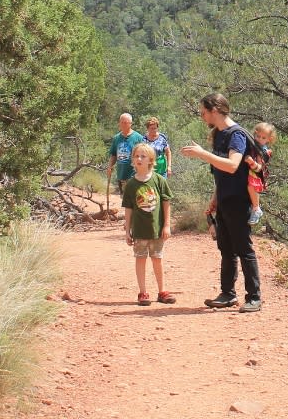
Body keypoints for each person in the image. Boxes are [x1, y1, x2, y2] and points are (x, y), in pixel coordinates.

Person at [180, 92, 262, 313]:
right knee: (226, 248)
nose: (202, 116)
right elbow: (221, 173)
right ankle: (228, 293)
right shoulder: (219, 134)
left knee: (244, 249)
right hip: (225, 199)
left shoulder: (236, 135)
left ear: (215, 110)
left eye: (203, 112)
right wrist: (215, 198)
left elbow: (233, 165)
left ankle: (254, 297)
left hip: (239, 201)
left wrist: (202, 154)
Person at [121, 142, 175, 306]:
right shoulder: (131, 184)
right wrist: (127, 230)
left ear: (151, 160)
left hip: (156, 230)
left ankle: (162, 291)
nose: (139, 159)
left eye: (143, 156)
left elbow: (166, 203)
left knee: (157, 259)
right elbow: (128, 209)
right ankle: (143, 292)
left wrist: (166, 225)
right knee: (140, 259)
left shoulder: (159, 180)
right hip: (139, 231)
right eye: (136, 156)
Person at [107, 112, 145, 195]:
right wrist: (110, 166)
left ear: (130, 124)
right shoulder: (116, 138)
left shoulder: (138, 138)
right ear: (119, 123)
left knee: (135, 199)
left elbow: (144, 155)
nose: (124, 124)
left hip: (134, 174)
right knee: (124, 200)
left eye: (126, 122)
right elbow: (113, 155)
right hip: (121, 174)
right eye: (122, 122)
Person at [245, 122, 276, 225]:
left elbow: (259, 168)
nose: (259, 139)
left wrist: (251, 162)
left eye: (263, 137)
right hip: (250, 173)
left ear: (269, 139)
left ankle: (256, 208)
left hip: (256, 174)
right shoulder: (252, 144)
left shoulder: (262, 150)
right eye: (258, 136)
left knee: (251, 186)